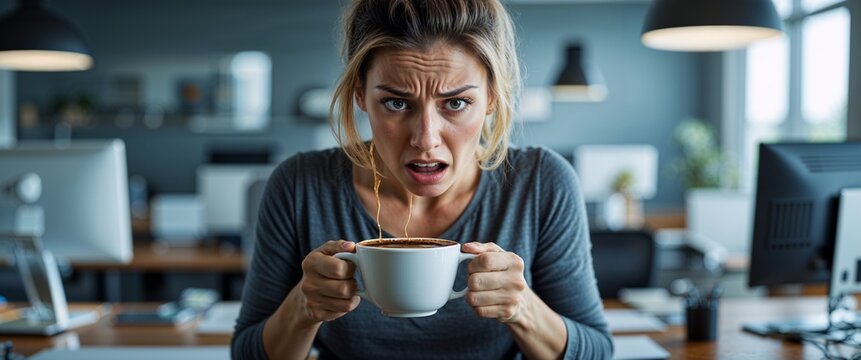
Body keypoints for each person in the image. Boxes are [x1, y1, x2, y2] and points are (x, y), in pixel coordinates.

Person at [232, 0, 613, 359]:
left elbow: (598, 349)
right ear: (361, 94)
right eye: (397, 103)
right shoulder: (298, 185)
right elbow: (245, 352)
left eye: (456, 103)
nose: (426, 139)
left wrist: (523, 309)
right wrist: (302, 308)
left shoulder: (542, 183)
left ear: (492, 97)